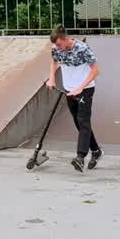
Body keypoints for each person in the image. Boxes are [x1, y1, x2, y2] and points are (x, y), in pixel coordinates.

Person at [46, 25, 102, 173]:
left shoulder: (82, 49)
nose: (57, 48)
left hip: (85, 89)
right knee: (79, 123)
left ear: (65, 39)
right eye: (55, 45)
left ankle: (80, 157)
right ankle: (96, 150)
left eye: (59, 44)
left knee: (84, 121)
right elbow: (54, 62)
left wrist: (81, 88)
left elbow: (96, 70)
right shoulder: (56, 48)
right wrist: (51, 79)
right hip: (69, 90)